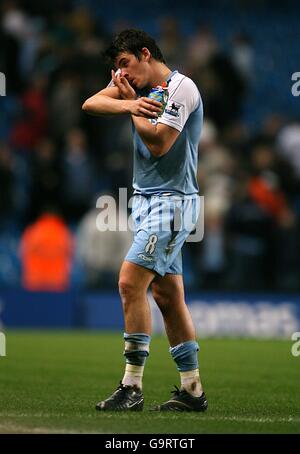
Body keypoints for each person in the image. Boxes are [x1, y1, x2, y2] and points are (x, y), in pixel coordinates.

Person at [82, 29, 207, 412]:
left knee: (128, 282)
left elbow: (158, 144)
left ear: (145, 54)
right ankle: (192, 390)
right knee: (168, 296)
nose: (121, 74)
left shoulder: (180, 89)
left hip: (172, 204)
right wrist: (128, 104)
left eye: (124, 64)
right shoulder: (131, 88)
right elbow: (90, 104)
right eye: (116, 68)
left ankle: (131, 386)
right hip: (144, 202)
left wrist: (132, 104)